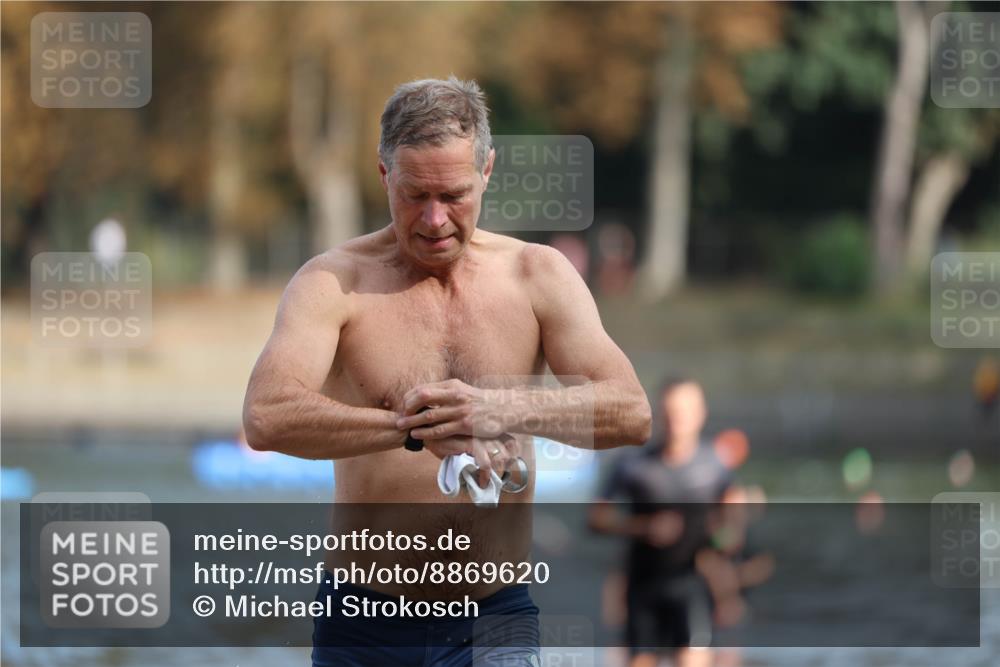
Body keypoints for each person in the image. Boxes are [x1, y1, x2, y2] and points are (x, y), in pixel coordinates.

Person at [242, 77, 651, 667]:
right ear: (384, 176)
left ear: (487, 169)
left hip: (495, 618)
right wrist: (416, 426)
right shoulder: (334, 283)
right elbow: (265, 415)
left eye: (454, 195)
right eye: (414, 195)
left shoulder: (538, 275)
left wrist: (500, 408)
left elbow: (631, 412)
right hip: (363, 621)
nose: (434, 220)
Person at [590, 378, 732, 667]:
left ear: (700, 414)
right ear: (659, 413)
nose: (677, 420)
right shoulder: (633, 465)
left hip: (692, 583)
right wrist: (643, 527)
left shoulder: (715, 465)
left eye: (684, 412)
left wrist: (731, 529)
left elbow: (730, 515)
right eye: (670, 412)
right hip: (643, 585)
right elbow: (596, 518)